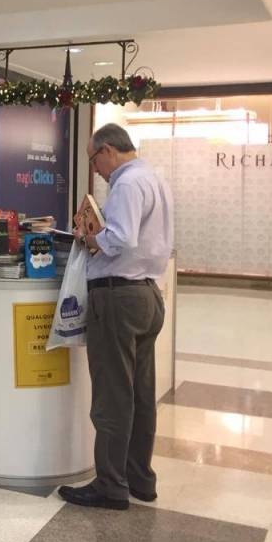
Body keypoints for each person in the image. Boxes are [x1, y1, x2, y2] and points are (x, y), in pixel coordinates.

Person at [58, 123, 173, 511]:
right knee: (141, 394)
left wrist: (88, 238)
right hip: (147, 294)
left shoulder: (126, 183)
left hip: (117, 297)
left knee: (112, 395)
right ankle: (140, 478)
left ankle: (110, 485)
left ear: (107, 150)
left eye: (94, 161)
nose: (96, 170)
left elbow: (120, 237)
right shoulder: (154, 178)